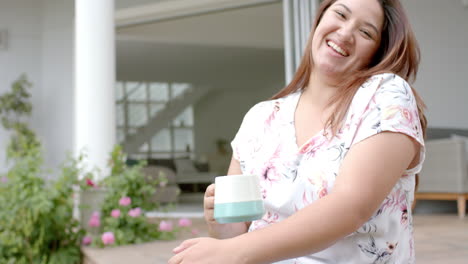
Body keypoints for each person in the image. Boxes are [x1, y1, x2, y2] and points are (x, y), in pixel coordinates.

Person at [169, 0, 426, 263]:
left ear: (378, 51)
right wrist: (221, 226)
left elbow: (351, 207)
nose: (345, 33)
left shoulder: (385, 95)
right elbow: (239, 236)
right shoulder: (261, 117)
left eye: (366, 32)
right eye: (340, 14)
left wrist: (231, 251)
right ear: (319, 20)